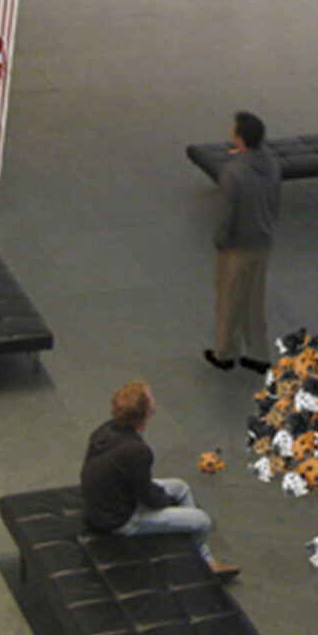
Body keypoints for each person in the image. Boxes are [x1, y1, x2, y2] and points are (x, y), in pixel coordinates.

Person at [79, 379, 238, 578]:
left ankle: (203, 555)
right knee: (203, 521)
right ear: (145, 412)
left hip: (106, 502)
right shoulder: (138, 450)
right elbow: (147, 496)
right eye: (150, 396)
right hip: (120, 519)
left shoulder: (106, 429)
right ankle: (196, 560)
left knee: (181, 487)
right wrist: (166, 502)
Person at [205, 111, 281, 373]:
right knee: (254, 300)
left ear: (240, 138)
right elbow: (275, 203)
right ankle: (259, 355)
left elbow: (226, 215)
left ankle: (225, 353)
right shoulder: (271, 163)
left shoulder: (233, 173)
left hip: (237, 247)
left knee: (230, 299)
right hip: (263, 241)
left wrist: (220, 241)